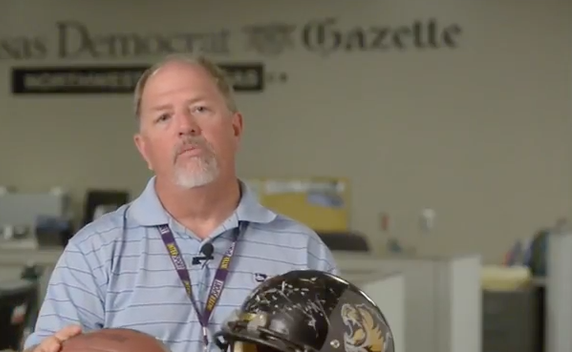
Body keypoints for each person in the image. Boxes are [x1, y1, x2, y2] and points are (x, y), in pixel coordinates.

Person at [23, 54, 338, 352]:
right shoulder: (93, 253)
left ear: (236, 128)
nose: (185, 126)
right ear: (144, 149)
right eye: (163, 117)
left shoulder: (302, 252)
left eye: (200, 108)